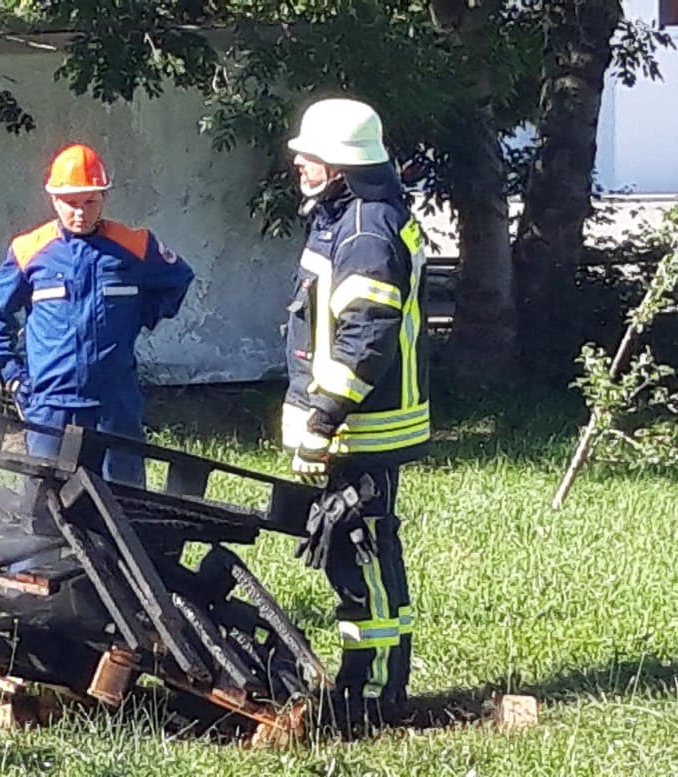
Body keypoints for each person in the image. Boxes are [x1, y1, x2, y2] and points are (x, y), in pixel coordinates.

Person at [282, 97, 428, 730]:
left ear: (340, 166)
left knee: (359, 552)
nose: (299, 164)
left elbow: (365, 335)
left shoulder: (364, 230)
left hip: (362, 429)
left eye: (309, 156)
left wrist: (323, 417)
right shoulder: (349, 216)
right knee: (361, 553)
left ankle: (367, 694)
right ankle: (374, 684)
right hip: (355, 426)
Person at [0, 144, 195, 486]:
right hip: (49, 400)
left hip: (114, 402)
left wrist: (140, 316)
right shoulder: (29, 250)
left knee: (124, 502)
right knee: (44, 503)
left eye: (90, 202)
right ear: (54, 200)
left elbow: (178, 279)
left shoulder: (135, 246)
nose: (80, 212)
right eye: (71, 203)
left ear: (103, 198)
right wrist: (12, 373)